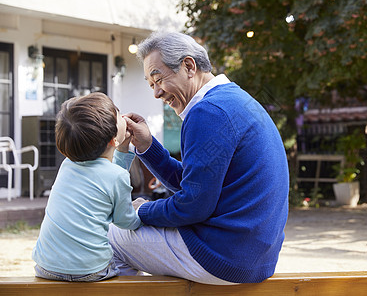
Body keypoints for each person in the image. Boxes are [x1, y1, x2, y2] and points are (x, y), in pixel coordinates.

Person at [108, 32, 289, 284]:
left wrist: (141, 210)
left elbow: (192, 205)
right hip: (253, 257)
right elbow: (196, 185)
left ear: (189, 66)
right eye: (151, 85)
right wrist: (148, 146)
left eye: (159, 80)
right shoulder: (231, 100)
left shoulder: (208, 112)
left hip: (224, 256)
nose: (156, 94)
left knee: (112, 236)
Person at [32, 92, 142, 282]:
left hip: (46, 266)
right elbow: (126, 222)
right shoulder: (117, 176)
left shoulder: (67, 165)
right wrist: (139, 210)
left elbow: (106, 173)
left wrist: (121, 148)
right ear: (112, 140)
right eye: (118, 113)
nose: (123, 115)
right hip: (90, 270)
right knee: (133, 262)